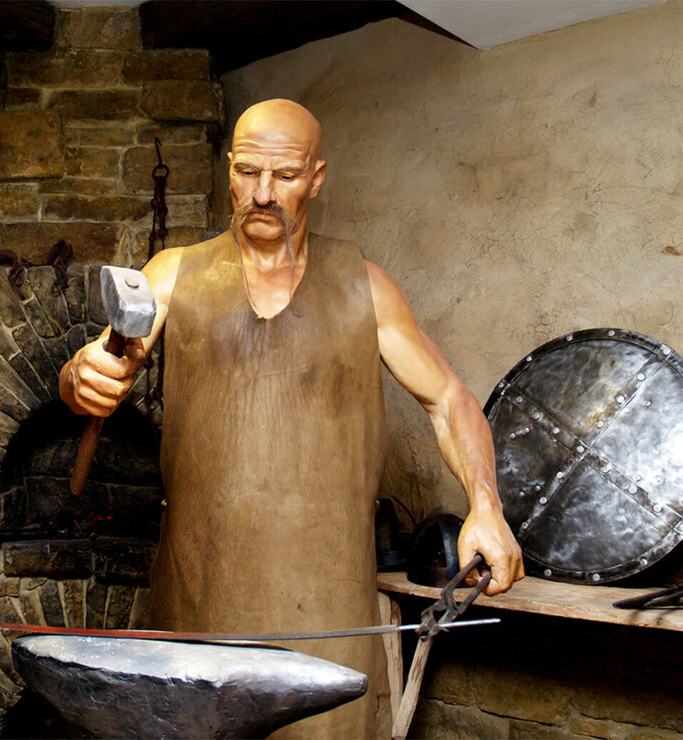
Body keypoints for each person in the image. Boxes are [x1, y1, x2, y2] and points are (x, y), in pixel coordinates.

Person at [59, 98, 524, 739]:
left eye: (284, 175)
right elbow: (98, 367)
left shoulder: (365, 286)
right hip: (199, 602)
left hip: (330, 611)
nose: (263, 193)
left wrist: (486, 506)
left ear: (317, 177)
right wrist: (81, 376)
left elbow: (448, 399)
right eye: (248, 172)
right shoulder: (173, 274)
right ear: (229, 169)